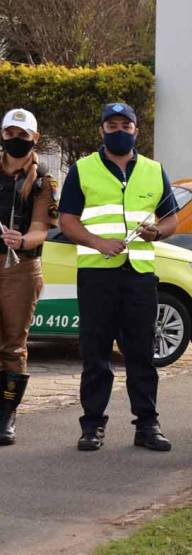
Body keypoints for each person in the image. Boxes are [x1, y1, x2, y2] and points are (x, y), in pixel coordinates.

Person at [58, 102, 178, 451]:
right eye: (112, 126)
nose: (119, 131)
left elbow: (171, 218)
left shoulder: (155, 170)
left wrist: (157, 232)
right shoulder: (82, 169)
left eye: (125, 125)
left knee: (141, 353)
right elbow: (67, 220)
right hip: (97, 275)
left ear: (136, 130)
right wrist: (97, 243)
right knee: (95, 353)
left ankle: (147, 425)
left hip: (140, 275)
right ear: (102, 131)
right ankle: (92, 425)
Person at [0, 109, 58, 445]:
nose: (15, 140)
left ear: (35, 138)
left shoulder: (43, 181)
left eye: (23, 135)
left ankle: (7, 414)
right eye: (10, 133)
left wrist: (21, 240)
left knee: (13, 344)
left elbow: (41, 230)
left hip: (20, 267)